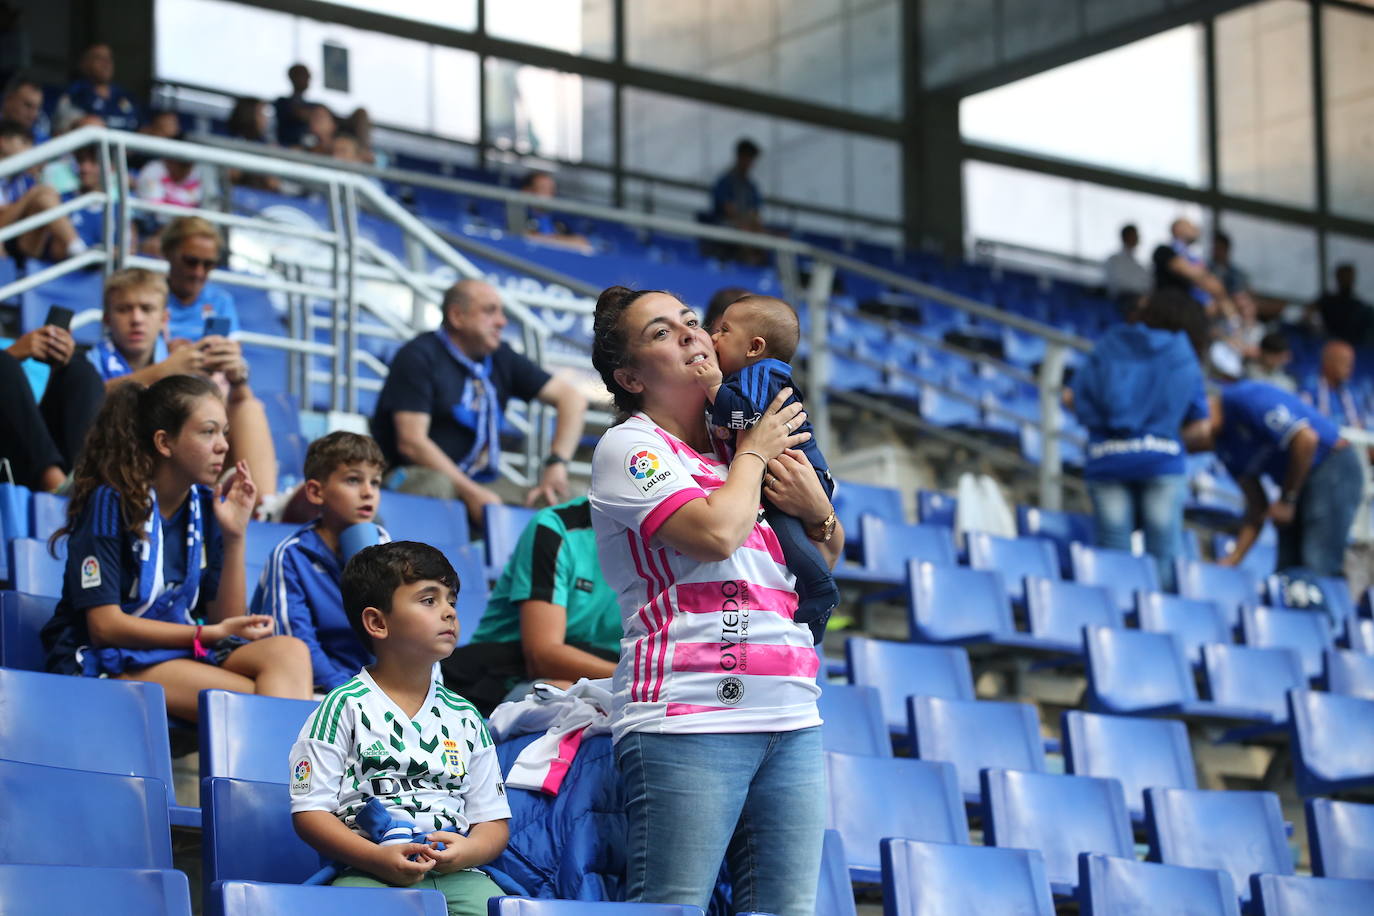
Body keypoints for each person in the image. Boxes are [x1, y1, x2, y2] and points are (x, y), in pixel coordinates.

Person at [587, 285, 842, 916]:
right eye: (662, 333)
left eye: (693, 322)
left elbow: (811, 566)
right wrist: (754, 453)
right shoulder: (631, 447)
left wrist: (820, 513)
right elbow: (715, 533)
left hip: (790, 714)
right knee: (672, 907)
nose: (692, 336)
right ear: (630, 375)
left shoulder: (739, 443)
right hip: (689, 715)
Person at [38, 375, 311, 719]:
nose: (224, 445)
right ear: (165, 443)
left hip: (177, 649)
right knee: (262, 703)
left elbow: (225, 618)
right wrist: (207, 633)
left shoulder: (206, 505)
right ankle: (294, 771)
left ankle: (293, 770)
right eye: (208, 431)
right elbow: (104, 627)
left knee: (289, 652)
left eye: (225, 432)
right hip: (107, 656)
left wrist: (235, 535)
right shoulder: (111, 503)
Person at [289, 541, 511, 914]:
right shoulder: (342, 707)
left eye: (451, 601)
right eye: (429, 600)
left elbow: (493, 822)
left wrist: (467, 851)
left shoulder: (468, 717)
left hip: (460, 873)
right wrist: (378, 859)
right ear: (378, 622)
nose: (449, 614)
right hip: (367, 869)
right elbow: (310, 813)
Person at [371, 279, 587, 524]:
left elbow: (572, 399)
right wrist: (470, 492)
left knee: (570, 499)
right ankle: (425, 562)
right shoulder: (419, 355)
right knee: (437, 485)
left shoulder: (500, 356)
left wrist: (556, 465)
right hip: (411, 478)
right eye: (489, 311)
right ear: (457, 316)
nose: (502, 321)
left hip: (482, 482)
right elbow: (412, 443)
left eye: (502, 312)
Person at [702, 294, 838, 637]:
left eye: (723, 331)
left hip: (798, 469)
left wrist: (713, 386)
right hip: (779, 469)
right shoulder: (750, 374)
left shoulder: (762, 372)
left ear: (754, 347)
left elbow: (745, 414)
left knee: (782, 529)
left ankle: (821, 588)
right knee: (783, 533)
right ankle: (816, 599)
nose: (714, 339)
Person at [88, 267, 278, 502]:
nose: (136, 319)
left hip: (181, 464)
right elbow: (90, 401)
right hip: (121, 466)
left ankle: (265, 505)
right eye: (124, 309)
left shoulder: (180, 355)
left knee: (247, 406)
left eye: (147, 309)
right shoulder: (89, 362)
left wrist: (237, 379)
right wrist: (165, 370)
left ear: (164, 318)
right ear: (107, 318)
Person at [1071, 289, 1210, 591]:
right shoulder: (1181, 352)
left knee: (1113, 545)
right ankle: (1161, 623)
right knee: (1163, 546)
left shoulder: (1108, 345)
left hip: (1107, 456)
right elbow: (1199, 418)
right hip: (1161, 458)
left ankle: (1114, 619)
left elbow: (1074, 398)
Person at [446, 495, 620, 713]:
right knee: (575, 701)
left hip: (608, 674)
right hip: (503, 674)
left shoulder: (668, 547)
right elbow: (542, 657)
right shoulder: (556, 527)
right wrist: (636, 679)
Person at [252, 432, 389, 692]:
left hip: (371, 688)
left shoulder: (383, 545)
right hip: (316, 687)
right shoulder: (292, 555)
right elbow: (298, 644)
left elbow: (400, 632)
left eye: (376, 482)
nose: (368, 492)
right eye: (353, 480)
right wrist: (350, 695)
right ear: (316, 492)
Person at [1199, 380, 1363, 578]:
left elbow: (1306, 439)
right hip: (1294, 484)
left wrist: (1287, 500)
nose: (1192, 437)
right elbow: (1257, 506)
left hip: (1331, 464)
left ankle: (1330, 608)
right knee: (1287, 575)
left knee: (1318, 566)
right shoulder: (1223, 445)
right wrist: (1233, 559)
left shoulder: (1241, 398)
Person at [0, 321, 104, 492]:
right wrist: (12, 354)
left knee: (80, 372)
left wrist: (59, 370)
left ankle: (81, 484)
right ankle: (57, 485)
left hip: (26, 454)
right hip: (11, 469)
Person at [0, 119, 87, 262]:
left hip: (24, 243)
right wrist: (30, 197)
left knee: (45, 195)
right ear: (2, 142)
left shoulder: (23, 178)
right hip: (4, 241)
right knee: (40, 192)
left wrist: (30, 198)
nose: (30, 149)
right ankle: (77, 248)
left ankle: (77, 248)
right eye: (24, 142)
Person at [159, 215, 239, 341]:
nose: (198, 273)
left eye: (208, 264)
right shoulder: (148, 300)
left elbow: (233, 350)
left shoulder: (220, 301)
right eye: (191, 262)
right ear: (168, 253)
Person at [1152, 218, 1232, 317]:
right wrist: (1208, 280)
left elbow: (1215, 287)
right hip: (1169, 311)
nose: (1195, 228)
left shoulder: (1193, 257)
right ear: (1178, 229)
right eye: (1189, 226)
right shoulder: (1164, 251)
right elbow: (1187, 271)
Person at [53, 43, 140, 132]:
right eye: (99, 58)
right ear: (84, 64)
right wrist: (80, 124)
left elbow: (143, 128)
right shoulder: (74, 94)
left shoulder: (126, 96)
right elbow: (61, 131)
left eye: (109, 58)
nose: (106, 63)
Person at [1302, 339, 1369, 430]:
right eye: (1344, 361)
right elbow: (1306, 424)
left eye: (1351, 363)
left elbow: (1359, 424)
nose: (1349, 367)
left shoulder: (1353, 392)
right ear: (1328, 362)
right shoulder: (1309, 389)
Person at [516, 171, 590, 251]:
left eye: (551, 190)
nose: (549, 195)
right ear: (527, 191)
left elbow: (581, 243)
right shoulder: (517, 213)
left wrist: (544, 239)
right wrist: (560, 241)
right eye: (543, 189)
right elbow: (519, 237)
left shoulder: (561, 218)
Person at [1308, 263, 1370, 347]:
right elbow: (1309, 312)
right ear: (1338, 278)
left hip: (1354, 344)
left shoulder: (1360, 306)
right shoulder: (1327, 300)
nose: (1347, 280)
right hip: (1329, 340)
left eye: (1349, 277)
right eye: (1344, 277)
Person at [711, 138, 762, 231]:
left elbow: (755, 212)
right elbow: (728, 210)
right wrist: (746, 220)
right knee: (746, 229)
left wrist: (751, 220)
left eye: (751, 159)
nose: (750, 163)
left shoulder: (751, 186)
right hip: (725, 227)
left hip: (745, 226)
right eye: (748, 158)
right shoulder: (725, 182)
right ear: (740, 157)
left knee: (759, 230)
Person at [1103, 223, 1150, 303]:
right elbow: (1117, 286)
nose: (1137, 238)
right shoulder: (1114, 260)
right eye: (1133, 235)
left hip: (1141, 298)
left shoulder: (1142, 261)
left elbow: (1148, 283)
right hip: (1124, 300)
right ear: (1125, 237)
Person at [274, 63, 312, 149]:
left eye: (308, 76)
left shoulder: (312, 106)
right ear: (293, 77)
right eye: (303, 75)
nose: (308, 79)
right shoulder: (282, 103)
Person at [2, 71, 47, 142]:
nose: (33, 114)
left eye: (37, 108)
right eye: (28, 106)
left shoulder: (44, 143)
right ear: (8, 99)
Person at [1209, 231, 1249, 296]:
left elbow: (1240, 295)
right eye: (1215, 248)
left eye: (1219, 248)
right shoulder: (1206, 270)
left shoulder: (1237, 275)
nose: (1216, 251)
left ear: (1227, 249)